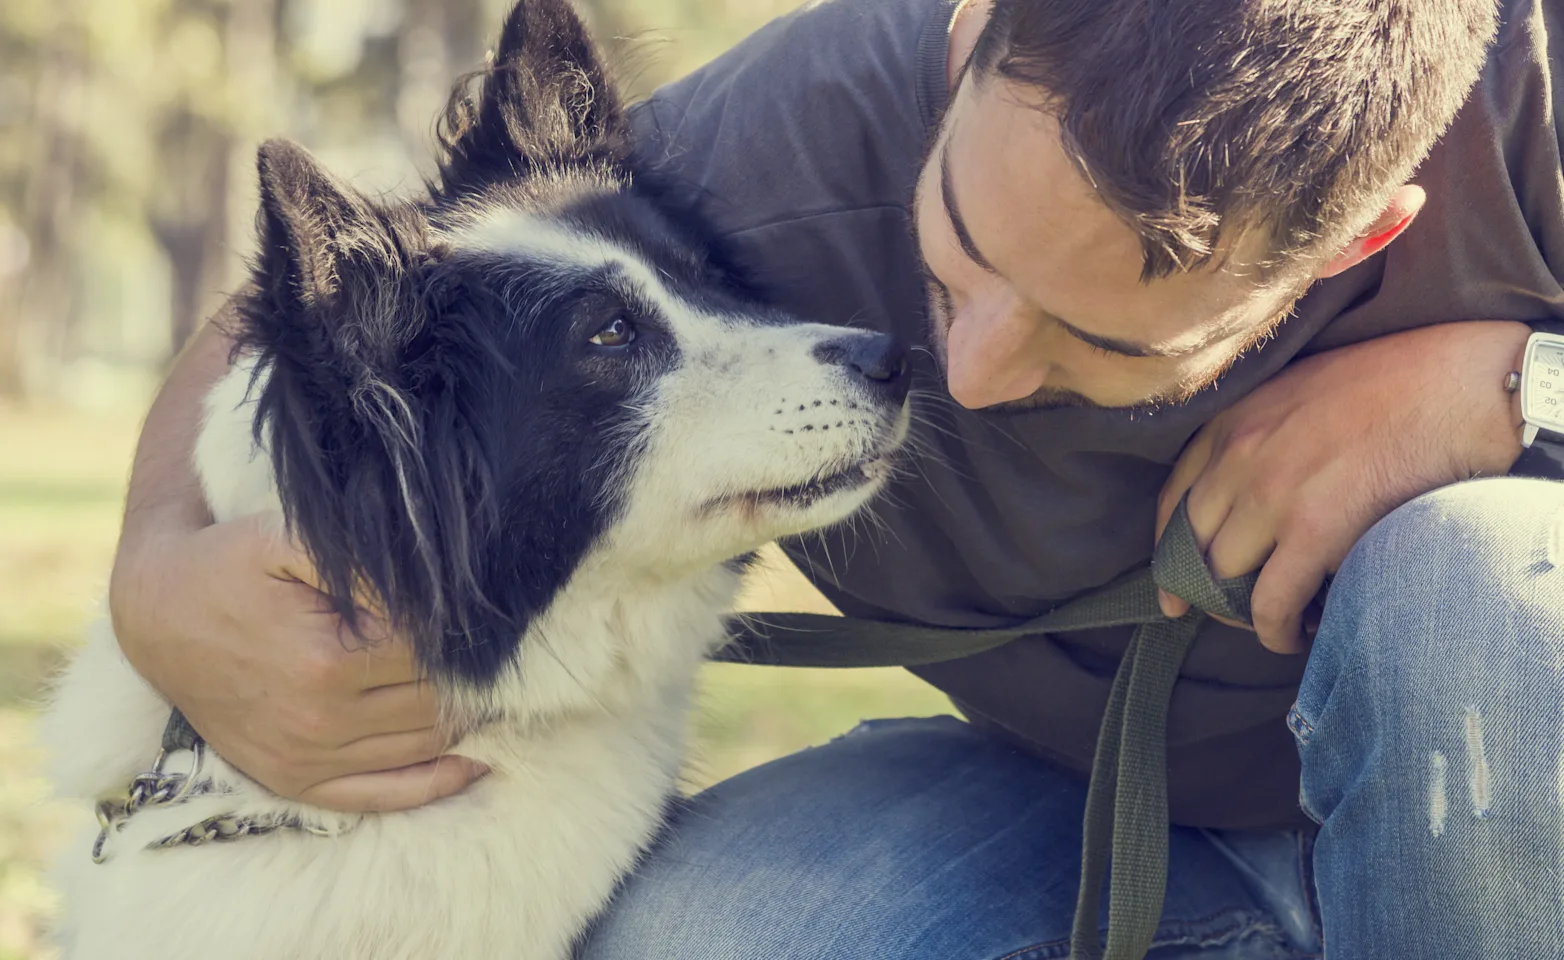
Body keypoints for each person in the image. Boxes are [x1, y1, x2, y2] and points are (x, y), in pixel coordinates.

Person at [108, 0, 1564, 956]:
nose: (972, 372)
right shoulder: (796, 125)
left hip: (1508, 816)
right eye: (958, 252)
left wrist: (1502, 387)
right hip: (1076, 815)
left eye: (1096, 339)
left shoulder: (1533, 106)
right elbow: (390, 274)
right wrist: (155, 572)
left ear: (1355, 241)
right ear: (977, 30)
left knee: (1479, 587)